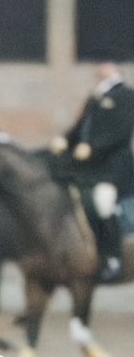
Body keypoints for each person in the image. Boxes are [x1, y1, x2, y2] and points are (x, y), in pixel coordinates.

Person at [50, 56, 134, 283]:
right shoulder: (95, 96)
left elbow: (121, 132)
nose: (98, 68)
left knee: (103, 201)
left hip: (114, 166)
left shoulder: (126, 95)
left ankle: (114, 260)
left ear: (113, 66)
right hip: (90, 165)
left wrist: (93, 147)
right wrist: (66, 140)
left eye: (103, 63)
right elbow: (81, 127)